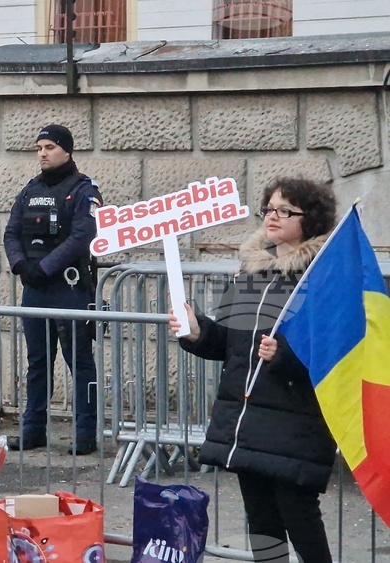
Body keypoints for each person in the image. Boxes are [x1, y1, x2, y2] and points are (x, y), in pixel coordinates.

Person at [169, 177, 338, 563]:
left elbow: (333, 349)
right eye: (269, 209)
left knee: (300, 517)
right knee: (261, 522)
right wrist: (197, 332)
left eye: (285, 211)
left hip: (295, 421)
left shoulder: (322, 275)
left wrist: (284, 356)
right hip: (247, 421)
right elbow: (229, 344)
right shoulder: (251, 271)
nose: (272, 216)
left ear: (310, 219)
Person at [3, 124, 103, 454]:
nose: (42, 153)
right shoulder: (30, 190)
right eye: (39, 148)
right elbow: (11, 233)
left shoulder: (85, 190)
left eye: (49, 147)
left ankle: (86, 433)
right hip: (35, 289)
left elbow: (82, 236)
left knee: (80, 363)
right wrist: (21, 265)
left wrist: (44, 268)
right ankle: (33, 430)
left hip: (69, 289)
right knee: (37, 364)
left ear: (67, 150)